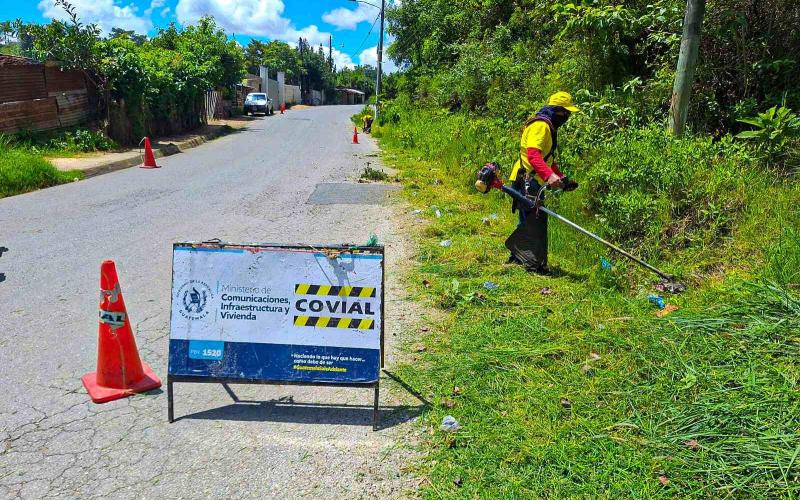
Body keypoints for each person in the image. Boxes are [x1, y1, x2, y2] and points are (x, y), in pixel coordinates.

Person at [505, 91, 579, 274]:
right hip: (527, 179)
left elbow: (547, 159)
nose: (567, 116)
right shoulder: (541, 126)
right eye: (565, 112)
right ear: (556, 110)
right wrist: (549, 176)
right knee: (533, 222)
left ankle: (519, 258)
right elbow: (533, 155)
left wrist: (560, 177)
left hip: (534, 179)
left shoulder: (548, 126)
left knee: (530, 220)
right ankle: (531, 263)